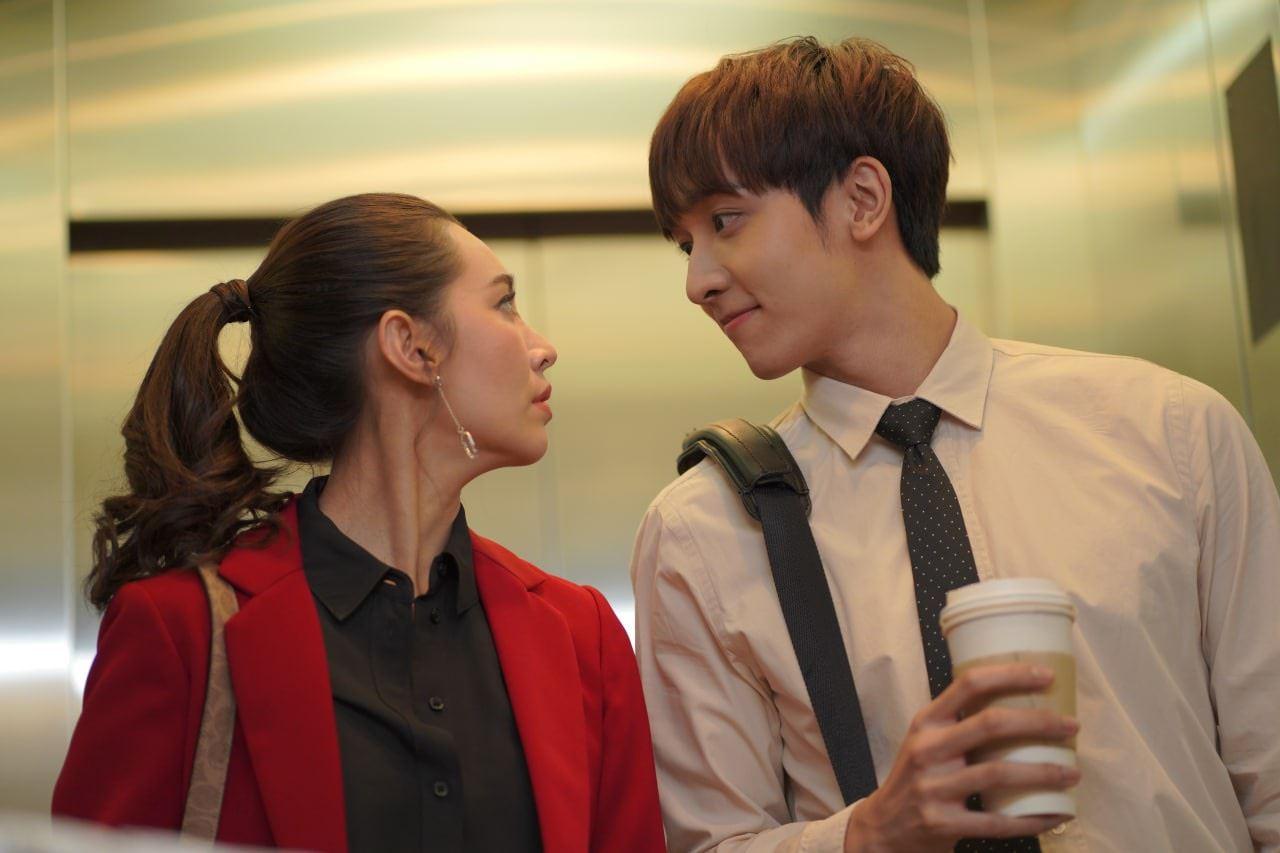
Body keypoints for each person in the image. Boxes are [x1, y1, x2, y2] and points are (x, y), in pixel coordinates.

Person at [630, 36, 1280, 853]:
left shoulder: (1169, 432)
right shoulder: (702, 531)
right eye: (684, 243)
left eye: (725, 221)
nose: (698, 281)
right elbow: (713, 842)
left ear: (862, 199)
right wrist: (869, 833)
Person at [53, 193, 666, 853]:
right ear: (409, 345)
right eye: (504, 304)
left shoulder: (581, 636)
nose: (543, 348)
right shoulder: (183, 631)